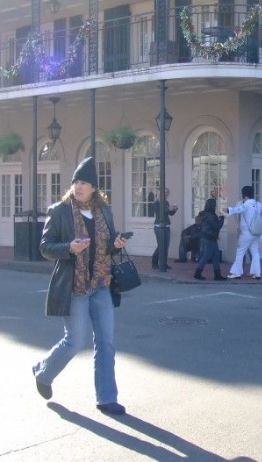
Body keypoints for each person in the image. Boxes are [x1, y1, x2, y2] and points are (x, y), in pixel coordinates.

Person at [32, 157, 130, 415]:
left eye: (84, 183)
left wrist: (116, 244)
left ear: (95, 188)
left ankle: (107, 398)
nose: (79, 187)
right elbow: (44, 247)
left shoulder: (103, 211)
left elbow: (106, 245)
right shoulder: (60, 211)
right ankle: (44, 372)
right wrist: (68, 248)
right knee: (75, 341)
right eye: (76, 182)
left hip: (101, 284)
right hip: (74, 286)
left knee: (106, 342)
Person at [225, 185, 262, 279]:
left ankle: (237, 273)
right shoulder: (257, 204)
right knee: (255, 252)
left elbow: (237, 210)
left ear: (244, 195)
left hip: (246, 233)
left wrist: (227, 209)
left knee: (240, 252)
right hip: (256, 233)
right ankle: (256, 273)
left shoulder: (246, 205)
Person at [193, 197, 227, 281]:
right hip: (210, 238)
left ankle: (217, 274)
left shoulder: (203, 214)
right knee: (206, 256)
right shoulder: (211, 216)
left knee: (216, 255)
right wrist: (222, 219)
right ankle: (197, 273)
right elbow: (217, 226)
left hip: (205, 237)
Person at [151, 188, 178, 270]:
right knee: (160, 246)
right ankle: (154, 263)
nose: (166, 195)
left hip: (167, 226)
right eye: (165, 193)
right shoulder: (156, 203)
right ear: (161, 194)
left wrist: (175, 209)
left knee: (166, 246)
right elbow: (160, 214)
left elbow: (170, 214)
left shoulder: (166, 202)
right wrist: (167, 209)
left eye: (167, 193)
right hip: (158, 227)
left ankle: (164, 263)